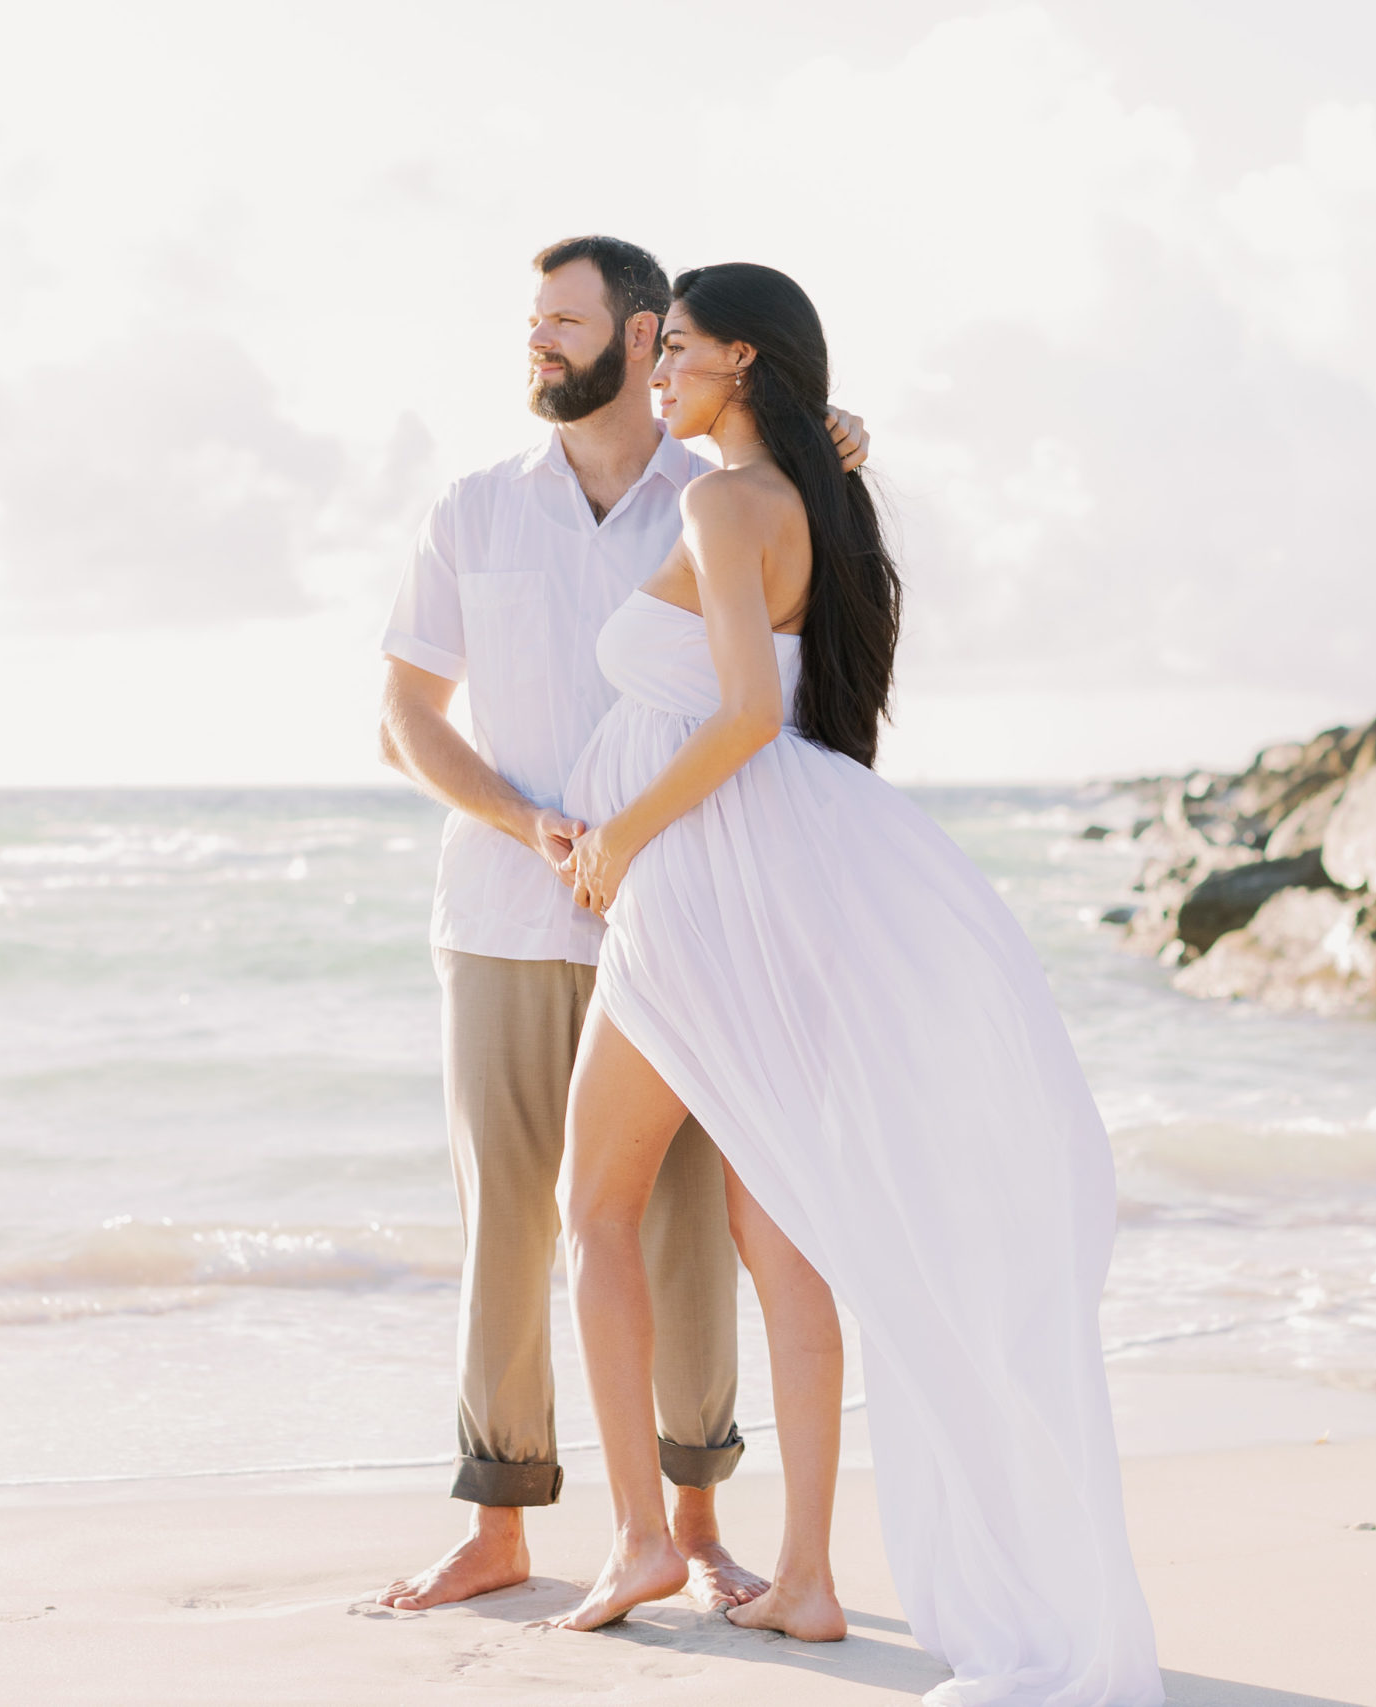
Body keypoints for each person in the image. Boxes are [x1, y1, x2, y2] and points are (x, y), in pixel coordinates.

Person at [546, 262, 1164, 1707]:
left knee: (595, 1205)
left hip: (697, 884)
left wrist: (624, 839)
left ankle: (644, 1538)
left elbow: (749, 715)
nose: (657, 377)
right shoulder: (817, 505)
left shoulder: (721, 503)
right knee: (795, 1225)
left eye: (677, 353)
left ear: (738, 362)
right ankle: (809, 1574)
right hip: (773, 884)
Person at [373, 236, 870, 1612]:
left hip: (682, 910)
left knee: (687, 1224)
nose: (538, 343)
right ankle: (500, 1522)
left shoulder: (717, 492)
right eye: (532, 322)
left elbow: (774, 658)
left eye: (565, 322)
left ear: (649, 336)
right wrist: (526, 819)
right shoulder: (473, 508)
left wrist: (840, 451)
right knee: (514, 1226)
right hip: (504, 915)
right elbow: (405, 718)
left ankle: (694, 1523)